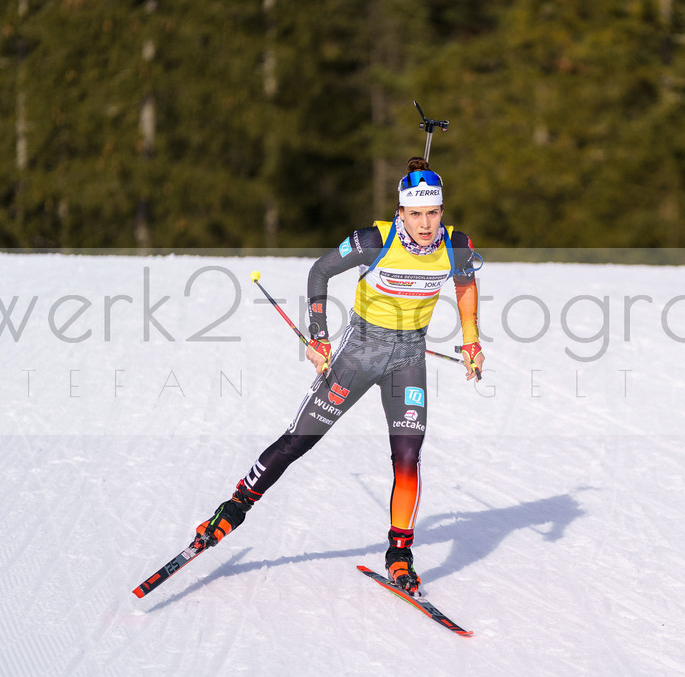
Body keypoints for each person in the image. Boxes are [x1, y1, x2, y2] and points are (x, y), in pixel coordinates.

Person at [192, 157, 485, 596]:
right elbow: (320, 271)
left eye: (433, 213)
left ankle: (400, 555)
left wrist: (471, 341)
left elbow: (464, 284)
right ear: (401, 211)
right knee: (299, 440)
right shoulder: (373, 240)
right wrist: (319, 336)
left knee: (407, 459)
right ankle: (231, 511)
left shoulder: (456, 246)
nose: (425, 224)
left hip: (408, 360)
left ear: (442, 211)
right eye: (416, 214)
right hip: (357, 355)